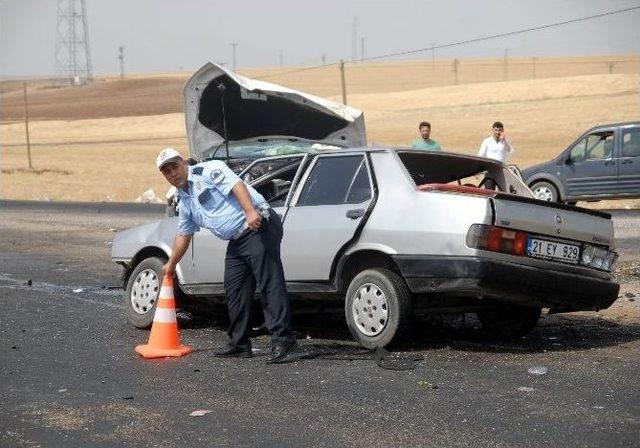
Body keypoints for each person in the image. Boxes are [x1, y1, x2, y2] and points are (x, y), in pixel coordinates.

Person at [156, 147, 314, 364]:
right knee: (235, 289)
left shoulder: (208, 170)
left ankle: (284, 343)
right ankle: (239, 343)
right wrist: (171, 264)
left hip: (258, 226)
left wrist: (250, 211)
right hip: (237, 240)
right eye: (167, 171)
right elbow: (184, 233)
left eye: (174, 166)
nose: (173, 173)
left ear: (183, 163)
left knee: (269, 284)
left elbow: (236, 185)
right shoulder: (184, 200)